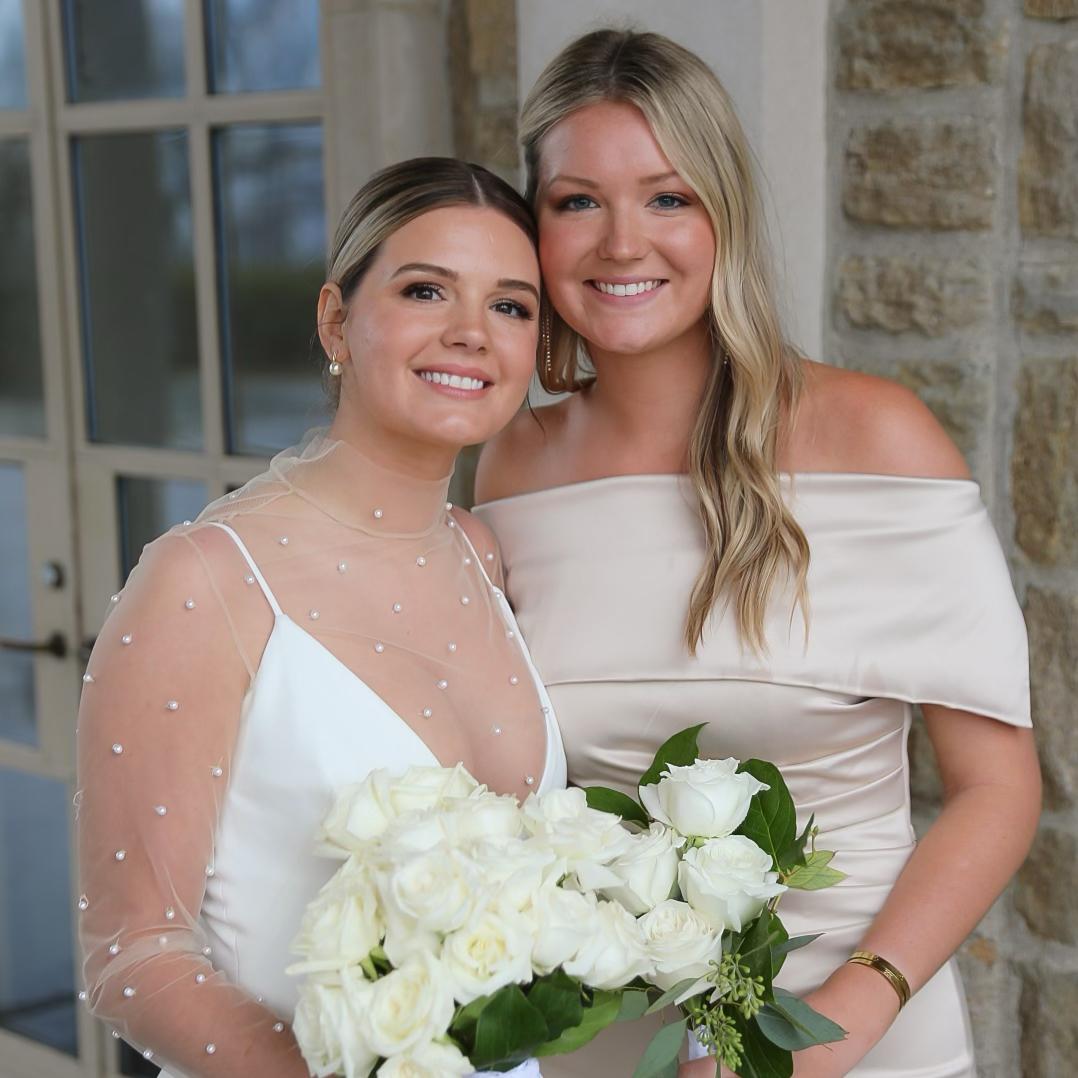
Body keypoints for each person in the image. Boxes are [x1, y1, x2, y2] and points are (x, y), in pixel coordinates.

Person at [475, 29, 1040, 1078]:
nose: (621, 243)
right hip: (605, 1040)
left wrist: (832, 1032)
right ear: (535, 228)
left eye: (667, 197)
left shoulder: (879, 438)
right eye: (577, 201)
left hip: (850, 1035)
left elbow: (996, 790)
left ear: (722, 215)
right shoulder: (516, 466)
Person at [76, 157, 565, 1077]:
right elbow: (131, 956)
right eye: (426, 291)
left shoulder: (480, 554)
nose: (471, 333)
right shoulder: (204, 582)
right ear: (336, 319)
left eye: (510, 306)